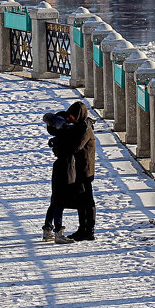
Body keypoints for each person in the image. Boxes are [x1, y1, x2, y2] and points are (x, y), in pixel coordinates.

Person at [53, 100, 97, 241]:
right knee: (81, 201)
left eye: (72, 116)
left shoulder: (85, 128)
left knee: (87, 201)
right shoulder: (79, 126)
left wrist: (60, 146)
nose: (70, 118)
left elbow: (76, 146)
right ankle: (82, 228)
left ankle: (88, 230)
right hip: (77, 168)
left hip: (85, 169)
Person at [42, 110, 78, 244]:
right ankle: (58, 232)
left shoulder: (58, 136)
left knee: (55, 200)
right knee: (60, 202)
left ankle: (47, 230)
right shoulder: (68, 134)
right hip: (66, 168)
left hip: (58, 168)